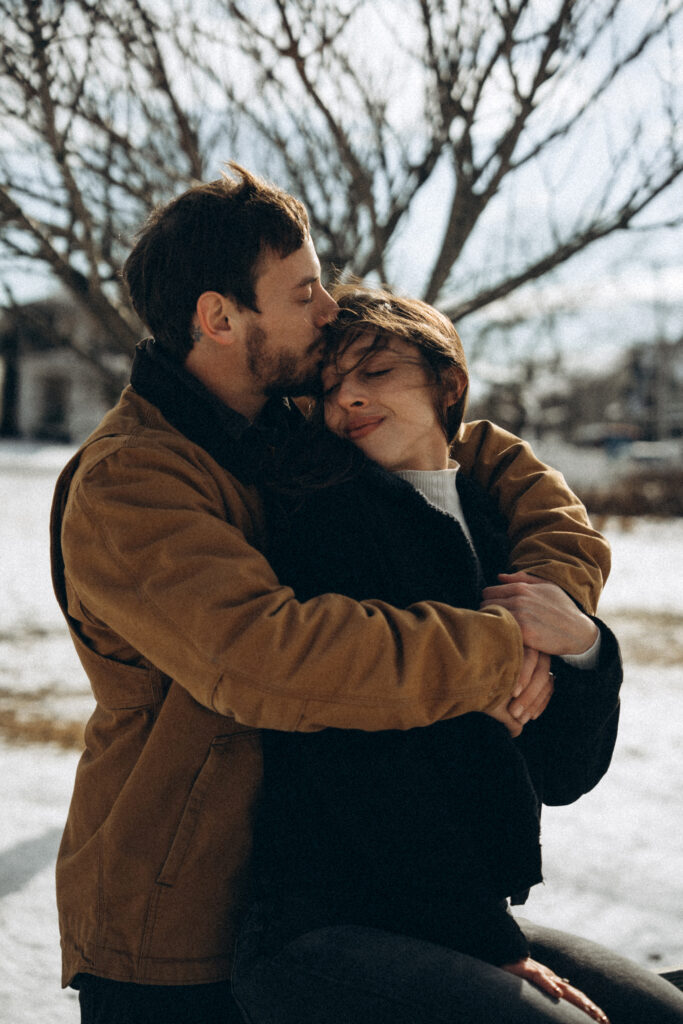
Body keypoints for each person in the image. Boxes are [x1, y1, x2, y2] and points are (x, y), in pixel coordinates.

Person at [50, 166, 613, 1024]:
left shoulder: (287, 424)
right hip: (177, 916)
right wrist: (498, 652)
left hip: (336, 886)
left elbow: (490, 465)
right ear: (220, 318)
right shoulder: (132, 481)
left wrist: (550, 618)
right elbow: (271, 658)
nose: (328, 308)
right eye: (305, 290)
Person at [230, 284, 683, 1024]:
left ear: (448, 383)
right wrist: (491, 944)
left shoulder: (491, 524)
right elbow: (364, 769)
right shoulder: (326, 523)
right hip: (326, 921)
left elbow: (564, 773)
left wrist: (585, 649)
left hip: (450, 913)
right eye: (330, 384)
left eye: (373, 373)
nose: (346, 399)